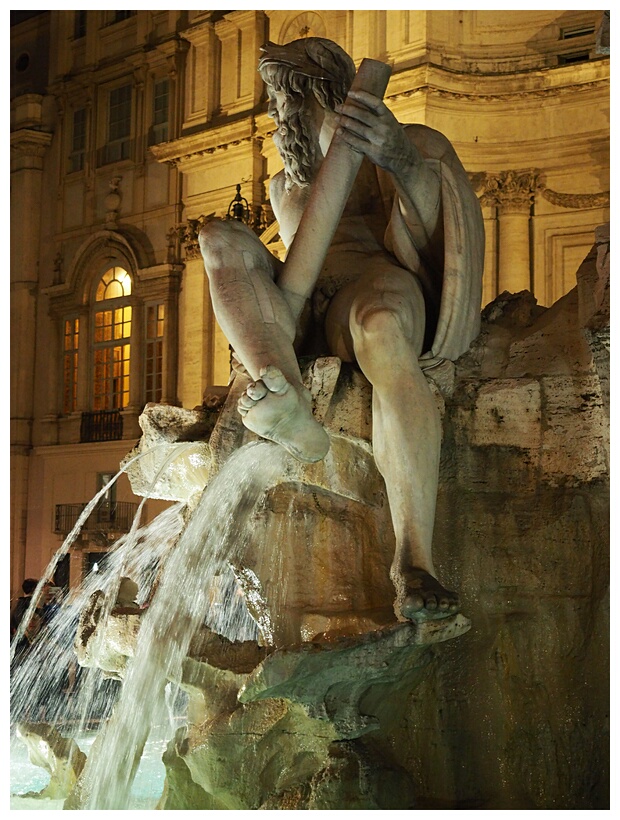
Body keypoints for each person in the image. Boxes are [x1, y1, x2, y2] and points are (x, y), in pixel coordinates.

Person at [199, 38, 484, 621]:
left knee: (380, 326)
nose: (276, 115)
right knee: (217, 237)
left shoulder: (408, 147)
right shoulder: (284, 186)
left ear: (321, 93)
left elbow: (444, 244)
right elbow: (296, 277)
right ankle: (289, 403)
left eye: (285, 99)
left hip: (381, 285)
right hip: (306, 307)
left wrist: (400, 159)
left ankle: (413, 559)